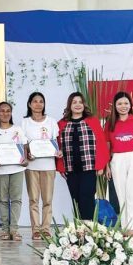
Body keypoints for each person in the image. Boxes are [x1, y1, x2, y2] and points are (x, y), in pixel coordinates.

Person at [56, 92, 108, 221]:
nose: (78, 105)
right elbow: (57, 147)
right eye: (74, 102)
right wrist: (61, 167)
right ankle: (79, 229)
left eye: (80, 102)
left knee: (87, 197)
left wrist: (101, 165)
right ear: (69, 105)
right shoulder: (61, 124)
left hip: (89, 167)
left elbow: (101, 144)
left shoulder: (92, 121)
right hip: (71, 169)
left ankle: (89, 228)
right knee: (76, 198)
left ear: (84, 105)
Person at [104, 91, 133, 231]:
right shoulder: (110, 124)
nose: (123, 106)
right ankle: (125, 227)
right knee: (121, 193)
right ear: (115, 106)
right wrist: (107, 166)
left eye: (126, 103)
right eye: (120, 103)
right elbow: (107, 148)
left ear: (130, 105)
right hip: (117, 159)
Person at [21, 92, 60, 239]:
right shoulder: (25, 122)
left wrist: (58, 151)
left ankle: (46, 228)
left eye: (41, 101)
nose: (38, 104)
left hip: (49, 165)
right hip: (31, 166)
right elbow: (23, 144)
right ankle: (35, 229)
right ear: (30, 104)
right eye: (35, 101)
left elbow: (56, 142)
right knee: (33, 200)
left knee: (48, 200)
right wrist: (27, 153)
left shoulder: (51, 121)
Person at [0, 102, 27, 241]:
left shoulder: (17, 129)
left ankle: (14, 230)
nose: (5, 113)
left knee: (16, 199)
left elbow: (25, 146)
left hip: (17, 168)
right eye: (2, 111)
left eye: (8, 111)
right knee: (3, 200)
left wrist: (25, 158)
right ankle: (5, 229)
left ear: (11, 113)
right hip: (0, 170)